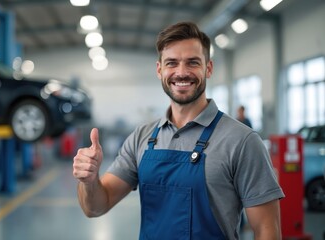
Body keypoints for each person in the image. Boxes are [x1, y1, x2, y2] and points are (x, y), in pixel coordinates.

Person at [73, 21, 284, 239]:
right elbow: (96, 207)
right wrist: (89, 181)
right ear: (159, 70)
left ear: (208, 68)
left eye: (192, 63)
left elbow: (267, 230)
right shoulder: (141, 138)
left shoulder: (242, 141)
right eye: (172, 63)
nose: (181, 73)